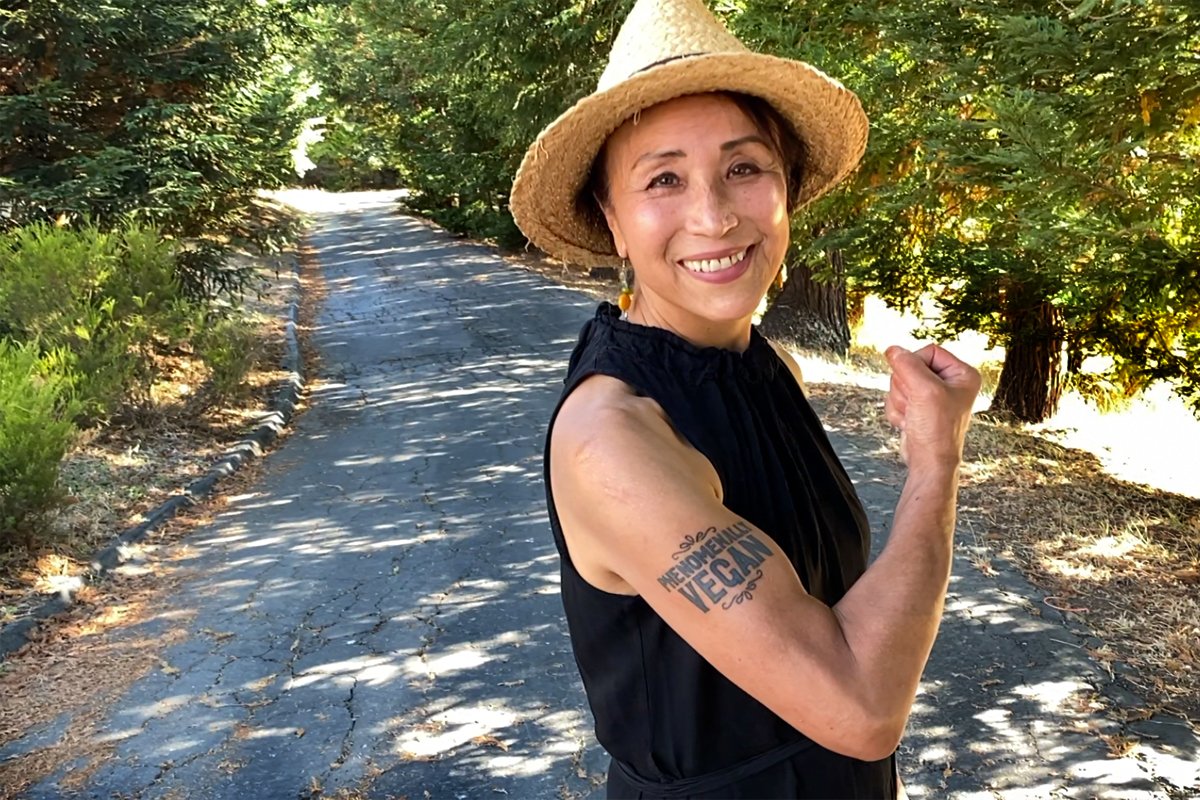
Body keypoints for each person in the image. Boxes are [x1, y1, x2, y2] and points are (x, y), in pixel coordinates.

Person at [509, 0, 982, 797]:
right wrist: (935, 462)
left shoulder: (767, 370)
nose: (714, 214)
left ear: (785, 188)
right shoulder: (614, 438)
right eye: (664, 178)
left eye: (744, 167)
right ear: (611, 221)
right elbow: (862, 704)